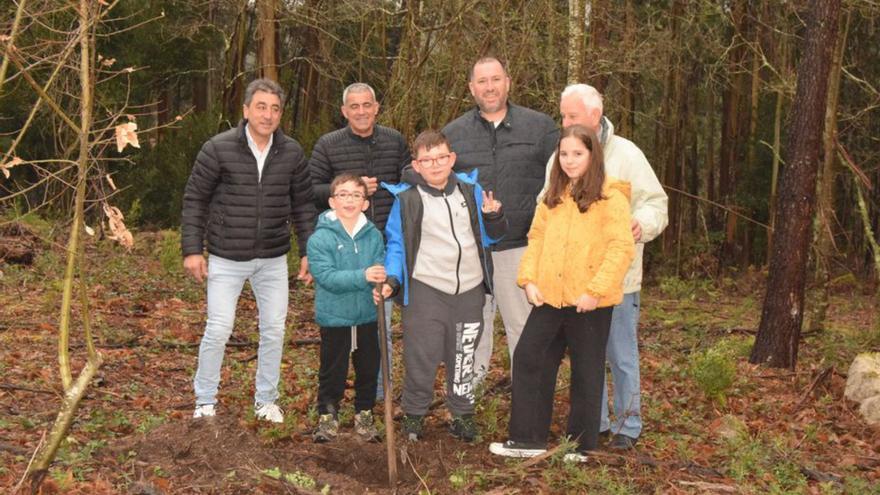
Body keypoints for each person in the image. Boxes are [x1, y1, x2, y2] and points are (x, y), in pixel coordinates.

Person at [489, 125, 634, 461]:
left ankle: (580, 446)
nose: (570, 161)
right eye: (564, 154)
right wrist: (529, 279)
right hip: (550, 297)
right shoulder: (553, 196)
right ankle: (527, 439)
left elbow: (620, 249)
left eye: (578, 154)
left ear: (592, 155)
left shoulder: (611, 197)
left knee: (586, 369)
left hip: (589, 302)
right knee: (529, 357)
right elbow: (536, 239)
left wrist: (595, 291)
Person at [538, 83, 668, 450]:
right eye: (562, 115)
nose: (564, 122)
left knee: (620, 355)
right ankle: (592, 424)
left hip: (619, 280)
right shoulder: (560, 156)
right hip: (574, 285)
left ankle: (627, 425)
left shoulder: (627, 155)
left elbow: (656, 203)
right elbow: (544, 208)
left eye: (572, 116)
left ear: (595, 116)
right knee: (585, 356)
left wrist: (642, 223)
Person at [181, 78, 317, 423]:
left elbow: (303, 205)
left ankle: (266, 400)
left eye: (274, 108)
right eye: (261, 106)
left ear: (281, 114)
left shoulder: (291, 153)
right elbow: (195, 199)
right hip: (226, 257)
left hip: (272, 258)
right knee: (219, 328)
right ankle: (205, 400)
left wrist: (308, 251)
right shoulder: (218, 148)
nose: (268, 115)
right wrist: (193, 250)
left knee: (274, 330)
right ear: (245, 110)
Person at [376, 129, 507, 442]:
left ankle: (461, 414)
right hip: (426, 288)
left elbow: (492, 237)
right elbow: (396, 243)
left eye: (440, 158)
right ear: (416, 165)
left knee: (463, 354)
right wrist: (393, 279)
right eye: (427, 160)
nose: (435, 165)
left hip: (470, 289)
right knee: (422, 354)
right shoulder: (406, 199)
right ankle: (414, 415)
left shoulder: (470, 190)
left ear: (452, 159)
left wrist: (494, 217)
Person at [442, 57, 558, 385]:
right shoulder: (453, 134)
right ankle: (466, 401)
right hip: (470, 251)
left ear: (508, 81)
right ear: (471, 88)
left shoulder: (541, 128)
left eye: (495, 79)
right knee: (469, 332)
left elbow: (561, 181)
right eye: (482, 81)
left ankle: (528, 403)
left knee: (523, 329)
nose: (489, 87)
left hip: (520, 247)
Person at [309, 82, 410, 400]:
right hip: (341, 245)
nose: (362, 111)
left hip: (384, 243)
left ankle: (378, 393)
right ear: (344, 111)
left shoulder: (394, 141)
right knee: (340, 326)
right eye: (354, 106)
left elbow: (410, 182)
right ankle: (332, 398)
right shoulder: (328, 145)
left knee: (380, 321)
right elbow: (312, 190)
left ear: (377, 107)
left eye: (367, 105)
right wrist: (352, 188)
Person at [307, 174, 385, 443]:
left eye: (356, 195)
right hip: (334, 318)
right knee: (332, 370)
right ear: (332, 201)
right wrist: (364, 276)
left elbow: (380, 268)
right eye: (343, 194)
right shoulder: (320, 238)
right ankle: (328, 417)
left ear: (365, 203)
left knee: (368, 368)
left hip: (366, 315)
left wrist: (380, 287)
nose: (349, 200)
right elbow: (326, 277)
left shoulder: (373, 235)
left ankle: (364, 414)